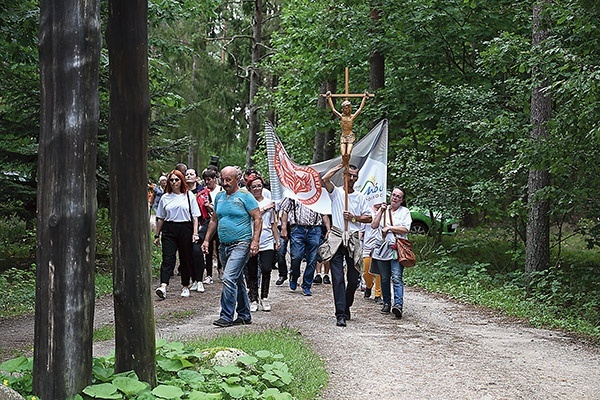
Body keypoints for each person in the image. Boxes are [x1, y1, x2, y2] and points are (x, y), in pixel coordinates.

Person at [201, 166, 262, 327]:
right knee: (237, 279)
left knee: (228, 278)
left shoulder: (245, 196)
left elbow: (257, 218)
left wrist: (255, 241)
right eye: (223, 179)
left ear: (237, 179)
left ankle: (226, 316)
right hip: (224, 245)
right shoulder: (220, 197)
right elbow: (214, 219)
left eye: (229, 179)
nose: (225, 182)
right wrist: (207, 240)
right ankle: (244, 315)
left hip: (241, 243)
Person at [322, 163, 372, 326]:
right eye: (348, 175)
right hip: (337, 238)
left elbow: (369, 218)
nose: (351, 178)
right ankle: (340, 314)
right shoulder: (336, 193)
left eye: (354, 176)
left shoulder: (360, 197)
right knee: (337, 278)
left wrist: (354, 218)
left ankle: (347, 304)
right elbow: (325, 179)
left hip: (352, 239)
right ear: (343, 176)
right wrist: (341, 164)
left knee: (353, 278)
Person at [154, 169, 201, 299]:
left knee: (185, 257)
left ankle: (185, 285)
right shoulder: (165, 197)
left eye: (177, 179)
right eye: (172, 180)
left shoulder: (189, 195)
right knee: (168, 257)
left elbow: (195, 216)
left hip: (185, 227)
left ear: (181, 181)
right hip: (169, 228)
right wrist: (157, 235)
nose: (174, 182)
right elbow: (161, 217)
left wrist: (195, 233)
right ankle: (163, 286)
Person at [370, 187, 412, 319]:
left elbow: (406, 229)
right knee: (384, 277)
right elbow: (374, 225)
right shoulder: (384, 210)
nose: (395, 198)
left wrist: (390, 228)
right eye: (393, 195)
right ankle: (387, 302)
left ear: (402, 200)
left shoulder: (404, 212)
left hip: (396, 249)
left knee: (396, 277)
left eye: (398, 196)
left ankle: (398, 305)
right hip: (382, 249)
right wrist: (381, 211)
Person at [280, 197, 330, 296]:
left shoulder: (317, 194)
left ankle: (307, 285)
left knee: (312, 259)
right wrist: (284, 228)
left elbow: (324, 213)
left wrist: (328, 229)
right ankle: (294, 275)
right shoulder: (293, 194)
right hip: (297, 229)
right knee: (296, 256)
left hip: (315, 230)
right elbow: (284, 211)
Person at [245, 174, 279, 311]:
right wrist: (265, 208)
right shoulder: (247, 201)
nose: (257, 189)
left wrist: (277, 240)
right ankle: (253, 298)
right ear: (249, 188)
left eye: (259, 186)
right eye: (254, 186)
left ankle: (264, 297)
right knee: (252, 270)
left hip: (267, 239)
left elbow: (273, 223)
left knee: (266, 269)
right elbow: (252, 217)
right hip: (251, 239)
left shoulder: (269, 201)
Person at [325, 91, 369, 163]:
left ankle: (347, 166)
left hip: (350, 136)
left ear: (349, 108)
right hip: (343, 136)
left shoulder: (352, 117)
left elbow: (359, 109)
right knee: (343, 154)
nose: (346, 109)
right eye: (345, 108)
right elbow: (333, 109)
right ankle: (345, 166)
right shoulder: (342, 117)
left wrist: (364, 98)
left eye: (347, 108)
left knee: (348, 153)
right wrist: (329, 98)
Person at [186, 168, 211, 293]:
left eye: (191, 174)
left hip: (202, 223)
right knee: (188, 253)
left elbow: (211, 208)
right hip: (187, 225)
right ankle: (194, 280)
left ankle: (200, 280)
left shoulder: (204, 191)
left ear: (196, 177)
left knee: (197, 251)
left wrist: (208, 205)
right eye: (187, 174)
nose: (189, 176)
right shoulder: (182, 192)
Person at [202, 167, 223, 283]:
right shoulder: (204, 192)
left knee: (220, 247)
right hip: (207, 221)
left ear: (215, 179)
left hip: (219, 221)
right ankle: (208, 274)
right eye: (205, 179)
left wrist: (210, 206)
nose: (207, 182)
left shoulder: (221, 191)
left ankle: (221, 269)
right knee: (208, 247)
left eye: (209, 179)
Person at [362, 210, 383, 302]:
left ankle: (378, 294)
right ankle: (369, 285)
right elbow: (361, 230)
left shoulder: (386, 211)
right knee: (366, 272)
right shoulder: (367, 211)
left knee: (380, 272)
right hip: (367, 246)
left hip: (380, 246)